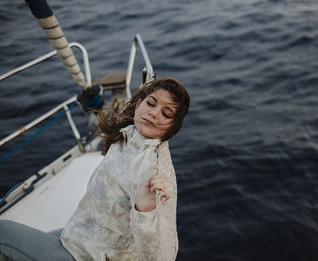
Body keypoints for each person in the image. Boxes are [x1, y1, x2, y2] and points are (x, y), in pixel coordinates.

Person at [0, 77, 190, 261]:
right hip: (80, 237)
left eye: (166, 114)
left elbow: (159, 256)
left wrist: (144, 210)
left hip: (92, 256)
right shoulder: (127, 135)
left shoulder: (152, 172)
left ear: (172, 128)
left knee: (3, 231)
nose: (155, 113)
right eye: (151, 103)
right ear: (139, 104)